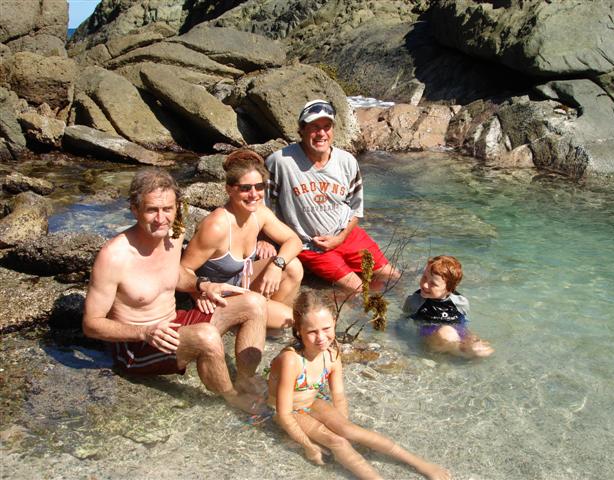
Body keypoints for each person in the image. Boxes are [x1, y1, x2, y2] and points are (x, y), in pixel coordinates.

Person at [83, 167, 268, 413]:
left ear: (176, 208)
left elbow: (173, 274)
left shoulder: (174, 234)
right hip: (137, 346)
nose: (161, 218)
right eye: (152, 210)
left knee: (255, 303)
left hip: (173, 323)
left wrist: (202, 285)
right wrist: (144, 332)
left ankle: (245, 378)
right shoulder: (114, 257)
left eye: (167, 209)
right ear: (135, 210)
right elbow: (91, 324)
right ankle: (232, 397)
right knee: (206, 336)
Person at [266, 290, 451, 480]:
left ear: (334, 322)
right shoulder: (291, 360)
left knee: (350, 431)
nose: (321, 337)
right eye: (312, 332)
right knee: (336, 442)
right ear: (298, 329)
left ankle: (419, 463)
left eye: (326, 328)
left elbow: (339, 396)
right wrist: (308, 445)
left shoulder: (332, 355)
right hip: (287, 411)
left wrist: (342, 425)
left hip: (311, 402)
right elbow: (283, 414)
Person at [265, 99, 398, 293]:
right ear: (301, 130)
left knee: (392, 277)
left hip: (347, 236)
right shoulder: (280, 162)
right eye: (314, 127)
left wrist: (340, 238)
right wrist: (263, 239)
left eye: (327, 127)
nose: (321, 133)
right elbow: (261, 205)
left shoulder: (347, 161)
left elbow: (356, 209)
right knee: (356, 289)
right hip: (309, 245)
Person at [181, 149, 304, 330]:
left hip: (242, 281)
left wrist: (276, 265)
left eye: (259, 186)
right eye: (245, 188)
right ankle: (263, 321)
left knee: (292, 266)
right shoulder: (216, 227)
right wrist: (198, 292)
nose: (254, 194)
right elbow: (183, 269)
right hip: (219, 295)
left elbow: (294, 240)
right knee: (294, 322)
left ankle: (265, 326)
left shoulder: (259, 213)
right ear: (229, 189)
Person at [403, 255, 494, 358]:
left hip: (456, 328)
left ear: (449, 289)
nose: (425, 285)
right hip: (430, 333)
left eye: (433, 284)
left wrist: (469, 338)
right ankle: (460, 353)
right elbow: (404, 320)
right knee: (446, 332)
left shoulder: (460, 302)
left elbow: (463, 323)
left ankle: (464, 350)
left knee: (479, 348)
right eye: (424, 277)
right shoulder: (414, 301)